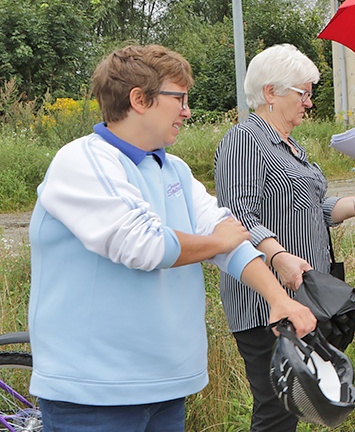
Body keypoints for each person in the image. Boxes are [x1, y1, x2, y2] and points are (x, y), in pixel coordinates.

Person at [27, 44, 316, 432]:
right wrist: (219, 242)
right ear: (139, 100)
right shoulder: (82, 162)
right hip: (94, 392)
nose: (187, 110)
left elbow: (226, 234)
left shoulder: (172, 168)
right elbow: (143, 245)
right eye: (178, 98)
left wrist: (278, 299)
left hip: (165, 385)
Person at [213, 44, 355, 432]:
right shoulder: (245, 140)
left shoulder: (289, 145)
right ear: (270, 92)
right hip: (263, 300)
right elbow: (237, 218)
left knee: (293, 406)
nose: (309, 103)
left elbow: (314, 208)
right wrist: (278, 254)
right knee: (276, 408)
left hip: (300, 298)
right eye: (303, 93)